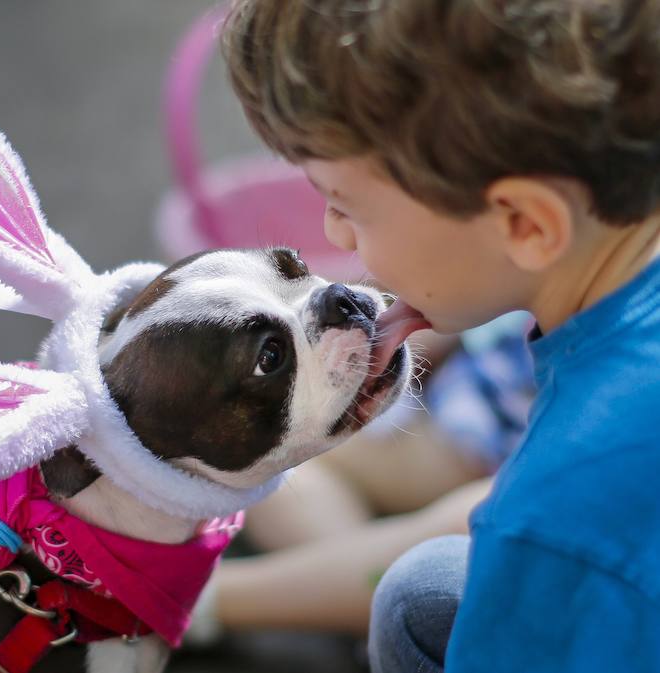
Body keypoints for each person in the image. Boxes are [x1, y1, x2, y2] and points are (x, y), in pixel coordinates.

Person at [219, 1, 660, 671]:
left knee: (415, 597)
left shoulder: (546, 517)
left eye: (347, 205)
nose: (337, 235)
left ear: (525, 224)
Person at [188, 317, 534, 641]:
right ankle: (362, 601)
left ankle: (191, 601)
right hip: (452, 420)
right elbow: (455, 320)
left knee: (479, 528)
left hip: (515, 474)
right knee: (260, 451)